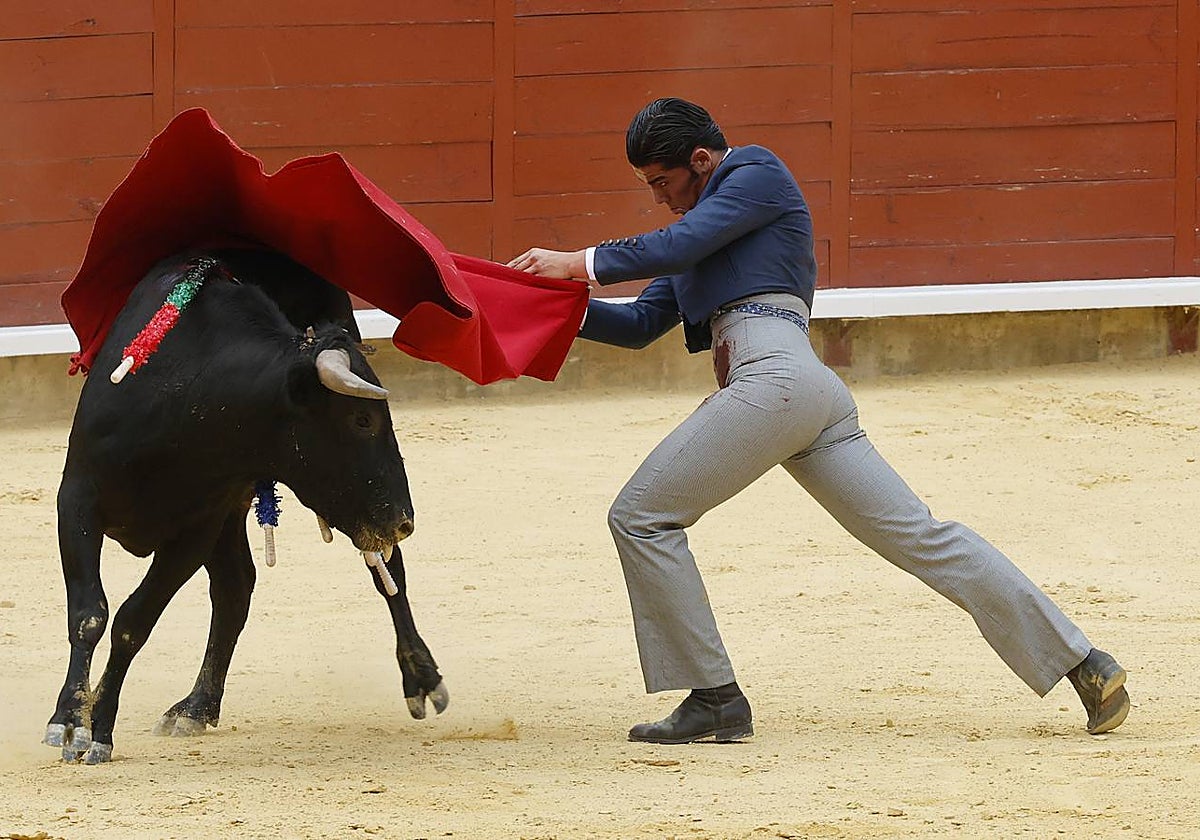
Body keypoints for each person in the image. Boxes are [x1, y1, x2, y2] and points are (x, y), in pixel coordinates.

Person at [506, 97, 1129, 745]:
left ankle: (714, 698)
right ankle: (1087, 665)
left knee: (641, 517)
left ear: (701, 159)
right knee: (924, 537)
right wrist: (537, 302)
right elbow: (638, 324)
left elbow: (677, 243)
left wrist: (576, 261)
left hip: (773, 381)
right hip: (801, 394)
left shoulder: (754, 172)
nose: (659, 199)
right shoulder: (699, 234)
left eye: (663, 182)